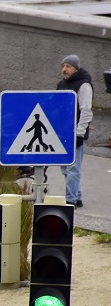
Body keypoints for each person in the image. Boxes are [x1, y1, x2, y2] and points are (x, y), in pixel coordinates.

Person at [57, 54, 93, 208]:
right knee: (65, 167)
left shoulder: (84, 85)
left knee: (73, 167)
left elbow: (86, 111)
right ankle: (76, 196)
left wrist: (79, 133)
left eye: (68, 66)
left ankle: (70, 200)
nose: (64, 69)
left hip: (74, 133)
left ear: (76, 68)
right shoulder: (62, 84)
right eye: (63, 66)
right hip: (63, 132)